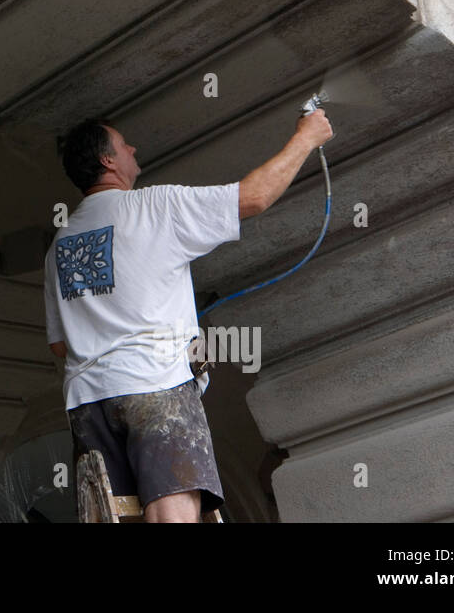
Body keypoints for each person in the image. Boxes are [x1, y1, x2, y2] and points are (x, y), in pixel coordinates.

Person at [45, 110, 333, 522]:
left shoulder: (61, 242)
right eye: (124, 144)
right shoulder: (153, 206)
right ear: (107, 161)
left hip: (89, 402)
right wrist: (307, 138)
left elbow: (59, 344)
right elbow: (252, 197)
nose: (133, 148)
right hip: (155, 384)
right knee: (173, 516)